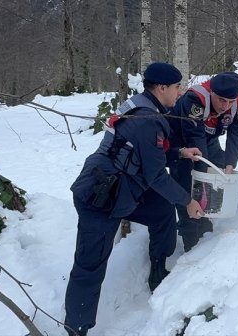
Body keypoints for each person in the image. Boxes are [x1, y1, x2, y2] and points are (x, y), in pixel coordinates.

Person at [64, 62, 205, 336]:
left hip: (125, 188)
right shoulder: (148, 120)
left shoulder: (144, 108)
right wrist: (187, 201)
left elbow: (144, 155)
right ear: (162, 88)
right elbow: (156, 176)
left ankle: (157, 269)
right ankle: (77, 327)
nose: (180, 93)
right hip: (101, 195)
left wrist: (179, 152)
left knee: (162, 209)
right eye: (177, 87)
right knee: (90, 263)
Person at [168, 71, 238, 251]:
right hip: (181, 141)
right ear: (211, 91)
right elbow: (194, 136)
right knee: (188, 183)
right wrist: (202, 174)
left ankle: (205, 223)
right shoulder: (194, 99)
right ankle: (190, 237)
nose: (225, 106)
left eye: (230, 101)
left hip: (209, 139)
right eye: (220, 100)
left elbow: (237, 134)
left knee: (216, 172)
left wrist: (230, 162)